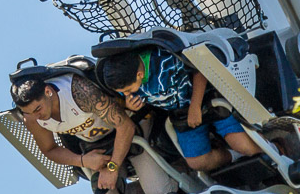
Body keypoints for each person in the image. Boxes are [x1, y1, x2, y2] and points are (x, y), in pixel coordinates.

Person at [12, 74, 179, 194]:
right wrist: (83, 161)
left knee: (159, 193)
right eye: (28, 112)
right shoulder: (32, 118)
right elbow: (49, 149)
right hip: (97, 147)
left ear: (48, 91)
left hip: (131, 131)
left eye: (38, 109)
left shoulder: (78, 92)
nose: (37, 116)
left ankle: (184, 167)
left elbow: (125, 126)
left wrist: (113, 167)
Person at [99, 48, 262, 173]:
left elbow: (199, 69)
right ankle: (234, 155)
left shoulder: (165, 61)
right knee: (197, 162)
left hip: (207, 101)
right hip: (181, 114)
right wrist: (129, 105)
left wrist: (196, 106)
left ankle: (276, 149)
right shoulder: (125, 81)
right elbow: (124, 93)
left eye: (128, 90)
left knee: (247, 147)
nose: (127, 94)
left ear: (140, 74)